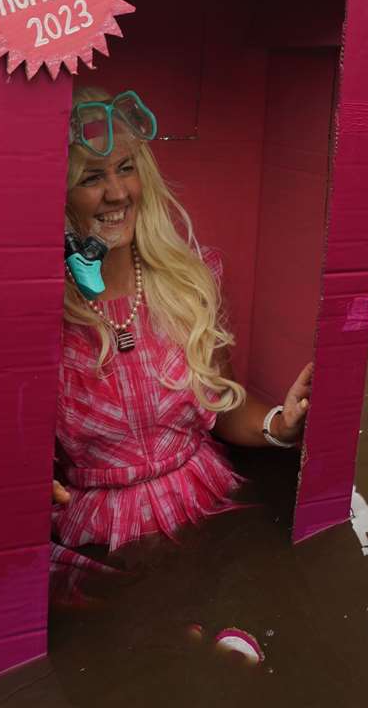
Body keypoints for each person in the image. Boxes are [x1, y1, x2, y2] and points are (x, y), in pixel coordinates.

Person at [53, 88, 312, 553]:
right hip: (98, 537)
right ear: (57, 192)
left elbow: (224, 408)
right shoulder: (36, 312)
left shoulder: (188, 281)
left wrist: (280, 424)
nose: (117, 193)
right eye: (92, 176)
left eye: (126, 169)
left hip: (208, 504)